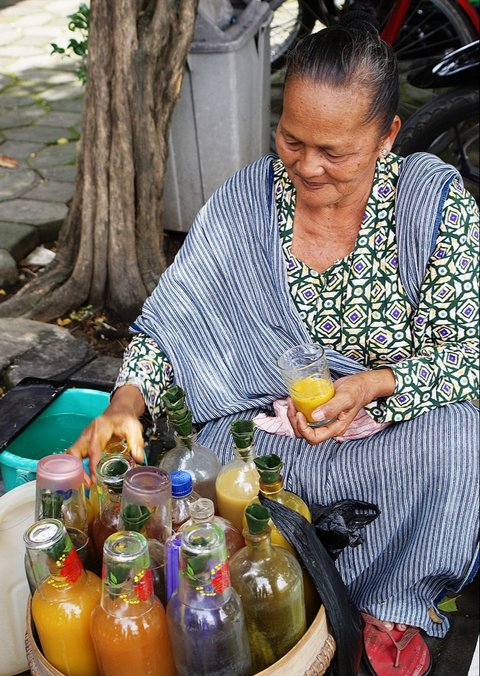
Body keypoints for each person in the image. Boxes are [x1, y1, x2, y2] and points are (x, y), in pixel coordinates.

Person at [69, 8, 479, 676]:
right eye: (292, 140)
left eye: (335, 152)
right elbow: (172, 320)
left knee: (464, 443)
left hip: (390, 445)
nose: (307, 168)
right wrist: (124, 403)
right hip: (267, 443)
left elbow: (464, 359)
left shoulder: (431, 206)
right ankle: (285, 577)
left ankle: (392, 604)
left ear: (388, 135)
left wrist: (371, 385)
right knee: (207, 473)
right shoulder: (245, 203)